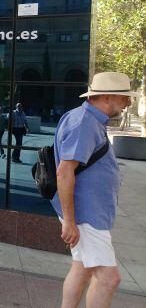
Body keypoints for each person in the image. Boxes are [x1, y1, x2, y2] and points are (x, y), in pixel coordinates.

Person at [51, 72, 136, 308]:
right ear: (107, 97)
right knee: (109, 279)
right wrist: (70, 221)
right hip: (86, 216)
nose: (129, 103)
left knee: (82, 269)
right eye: (125, 98)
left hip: (87, 213)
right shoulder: (84, 122)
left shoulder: (88, 119)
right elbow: (64, 172)